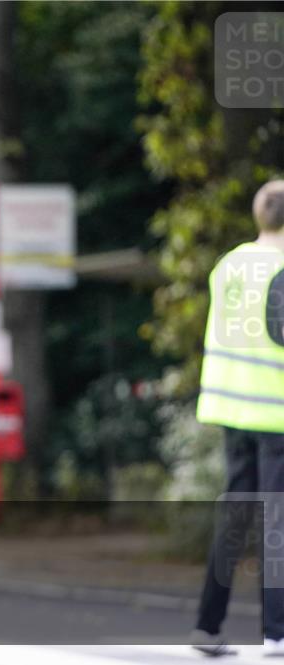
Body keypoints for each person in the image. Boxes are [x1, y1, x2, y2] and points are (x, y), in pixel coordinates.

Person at [191, 179, 284, 658]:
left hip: (231, 408)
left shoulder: (230, 263)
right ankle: (276, 632)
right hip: (275, 413)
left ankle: (207, 625)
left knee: (235, 514)